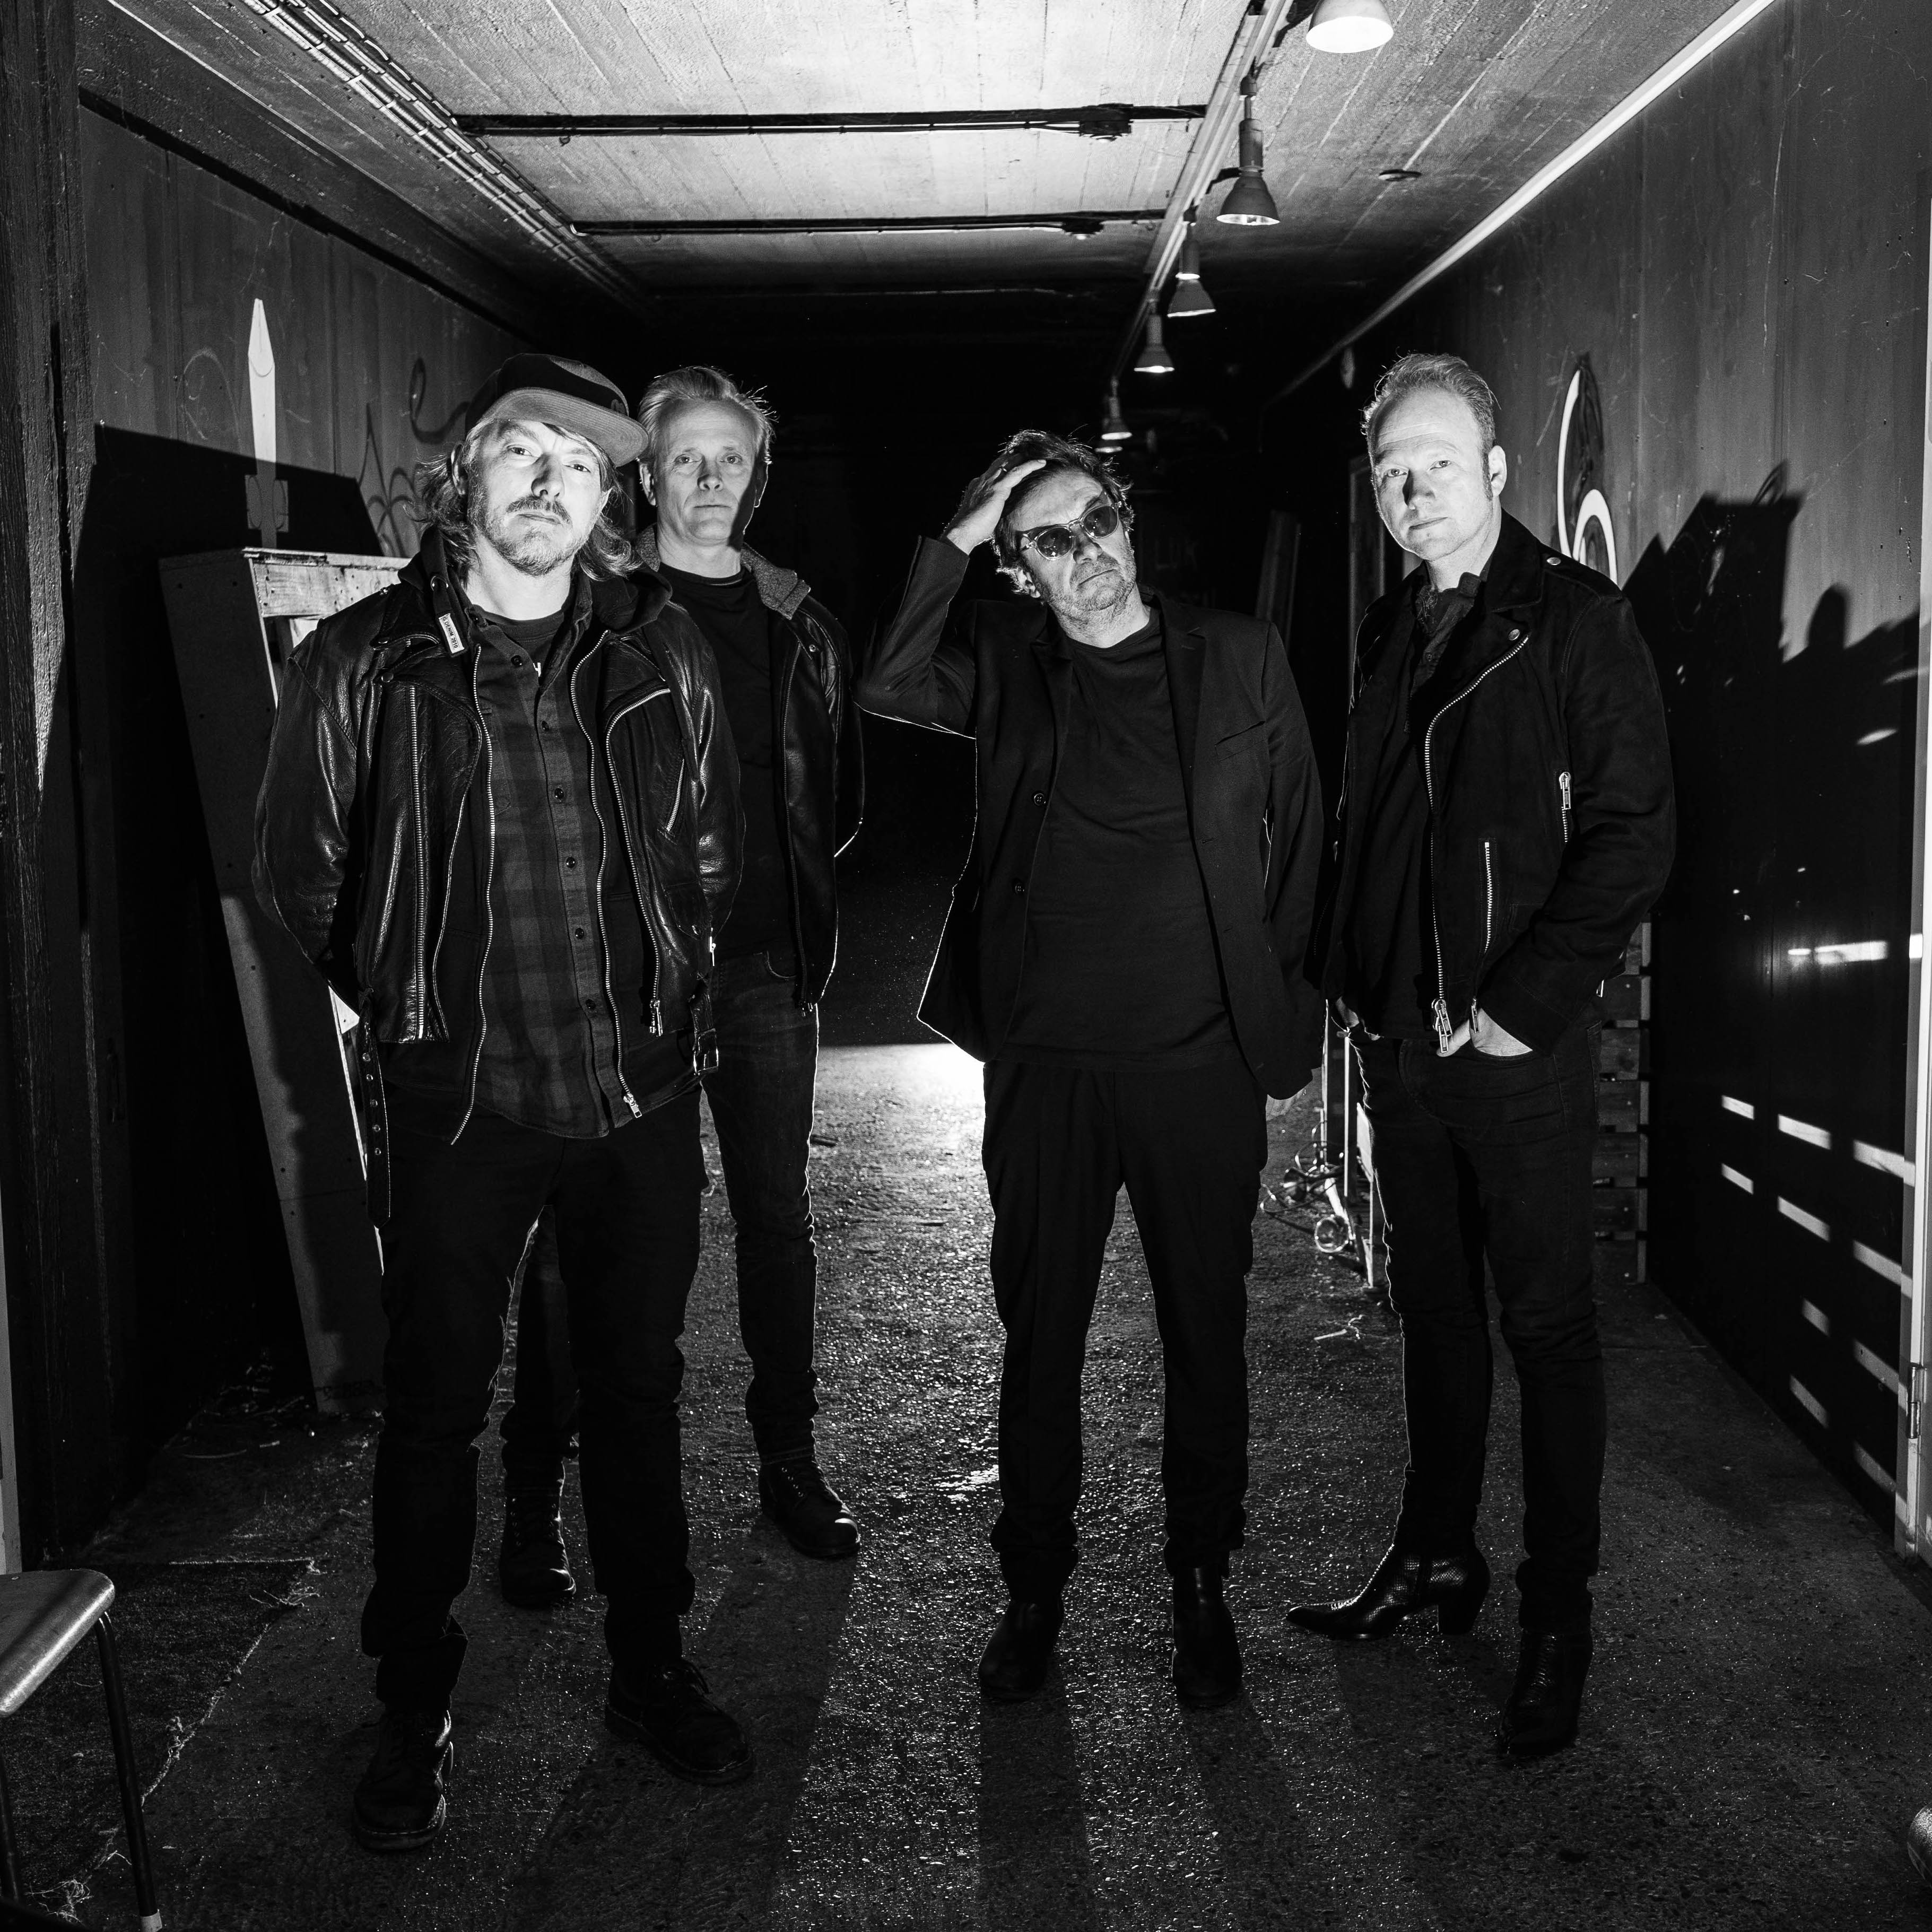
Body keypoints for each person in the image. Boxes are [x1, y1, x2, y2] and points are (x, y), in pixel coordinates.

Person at [255, 353, 752, 1852]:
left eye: (580, 465)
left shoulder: (659, 647)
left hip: (634, 1091)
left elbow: (710, 852)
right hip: (462, 1103)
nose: (548, 482)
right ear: (466, 473)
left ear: (606, 504)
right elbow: (302, 878)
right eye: (523, 450)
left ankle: (651, 1666)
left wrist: (676, 1001)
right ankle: (413, 1705)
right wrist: (414, 1014)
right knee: (434, 1410)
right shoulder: (364, 661)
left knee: (639, 1391)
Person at [856, 431, 1325, 1708]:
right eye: (1052, 541)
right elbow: (889, 681)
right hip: (1048, 1062)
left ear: (1128, 518)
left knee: (1205, 1334)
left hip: (1196, 1065)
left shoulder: (1238, 652)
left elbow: (1300, 840)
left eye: (1100, 520)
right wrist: (965, 531)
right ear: (1020, 567)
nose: (1091, 554)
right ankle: (1033, 1593)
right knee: (1041, 1337)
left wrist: (1275, 1013)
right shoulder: (1007, 660)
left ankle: (1201, 1586)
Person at [1291, 352, 1674, 1759]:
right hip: (1404, 1038)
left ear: (1499, 472)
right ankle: (1434, 1550)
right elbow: (1380, 828)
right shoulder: (1396, 621)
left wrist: (1523, 1002)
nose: (1413, 489)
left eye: (1438, 462)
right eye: (1392, 469)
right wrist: (1354, 983)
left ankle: (1558, 1617)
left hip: (1509, 1049)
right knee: (1437, 1314)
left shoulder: (1573, 621)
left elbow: (1634, 835)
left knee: (1549, 1331)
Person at [493, 365, 864, 1597]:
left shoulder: (800, 623)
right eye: (687, 457)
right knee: (584, 1240)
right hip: (623, 978)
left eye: (732, 458)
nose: (710, 479)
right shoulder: (595, 612)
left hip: (762, 969)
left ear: (759, 477)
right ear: (646, 475)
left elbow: (832, 802)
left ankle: (790, 1462)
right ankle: (536, 1489)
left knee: (776, 1225)